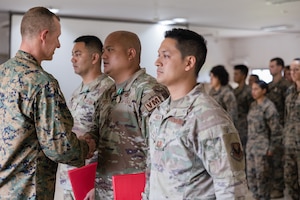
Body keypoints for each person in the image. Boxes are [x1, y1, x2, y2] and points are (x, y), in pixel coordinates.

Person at [0, 7, 95, 200]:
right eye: (57, 37)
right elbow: (58, 147)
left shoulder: (2, 73)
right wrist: (86, 147)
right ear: (44, 35)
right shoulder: (41, 83)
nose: (59, 44)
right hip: (27, 191)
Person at [143, 28, 248, 199]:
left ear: (189, 63)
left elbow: (231, 188)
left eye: (166, 56)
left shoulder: (208, 117)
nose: (157, 62)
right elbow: (153, 173)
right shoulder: (159, 112)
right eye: (158, 55)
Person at [84, 30, 169, 200]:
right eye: (103, 51)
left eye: (110, 50)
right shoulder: (108, 93)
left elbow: (160, 152)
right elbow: (96, 136)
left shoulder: (149, 91)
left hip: (135, 192)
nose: (103, 56)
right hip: (105, 190)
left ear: (131, 53)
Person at [59, 35, 114, 199]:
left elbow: (109, 139)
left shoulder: (107, 90)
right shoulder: (78, 91)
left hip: (91, 180)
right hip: (70, 177)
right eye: (72, 54)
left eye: (77, 54)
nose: (72, 59)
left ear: (94, 57)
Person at [247, 80, 282, 199]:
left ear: (264, 90)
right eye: (252, 89)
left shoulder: (269, 107)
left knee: (262, 178)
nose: (253, 92)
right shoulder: (253, 105)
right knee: (251, 178)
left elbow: (276, 130)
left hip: (263, 149)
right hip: (251, 148)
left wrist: (272, 148)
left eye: (256, 89)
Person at [267, 57, 291, 198]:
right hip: (269, 127)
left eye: (273, 66)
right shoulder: (269, 86)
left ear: (280, 68)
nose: (271, 68)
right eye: (269, 66)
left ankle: (279, 187)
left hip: (282, 127)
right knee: (270, 158)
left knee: (279, 158)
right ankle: (272, 185)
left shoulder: (286, 85)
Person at [283, 58, 300, 200]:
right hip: (289, 144)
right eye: (291, 70)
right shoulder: (289, 91)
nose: (293, 73)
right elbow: (286, 117)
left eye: (297, 69)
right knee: (290, 180)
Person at [233, 64, 253, 151]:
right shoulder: (234, 91)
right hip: (236, 125)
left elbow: (251, 109)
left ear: (243, 75)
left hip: (245, 126)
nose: (234, 76)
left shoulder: (249, 91)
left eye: (237, 74)